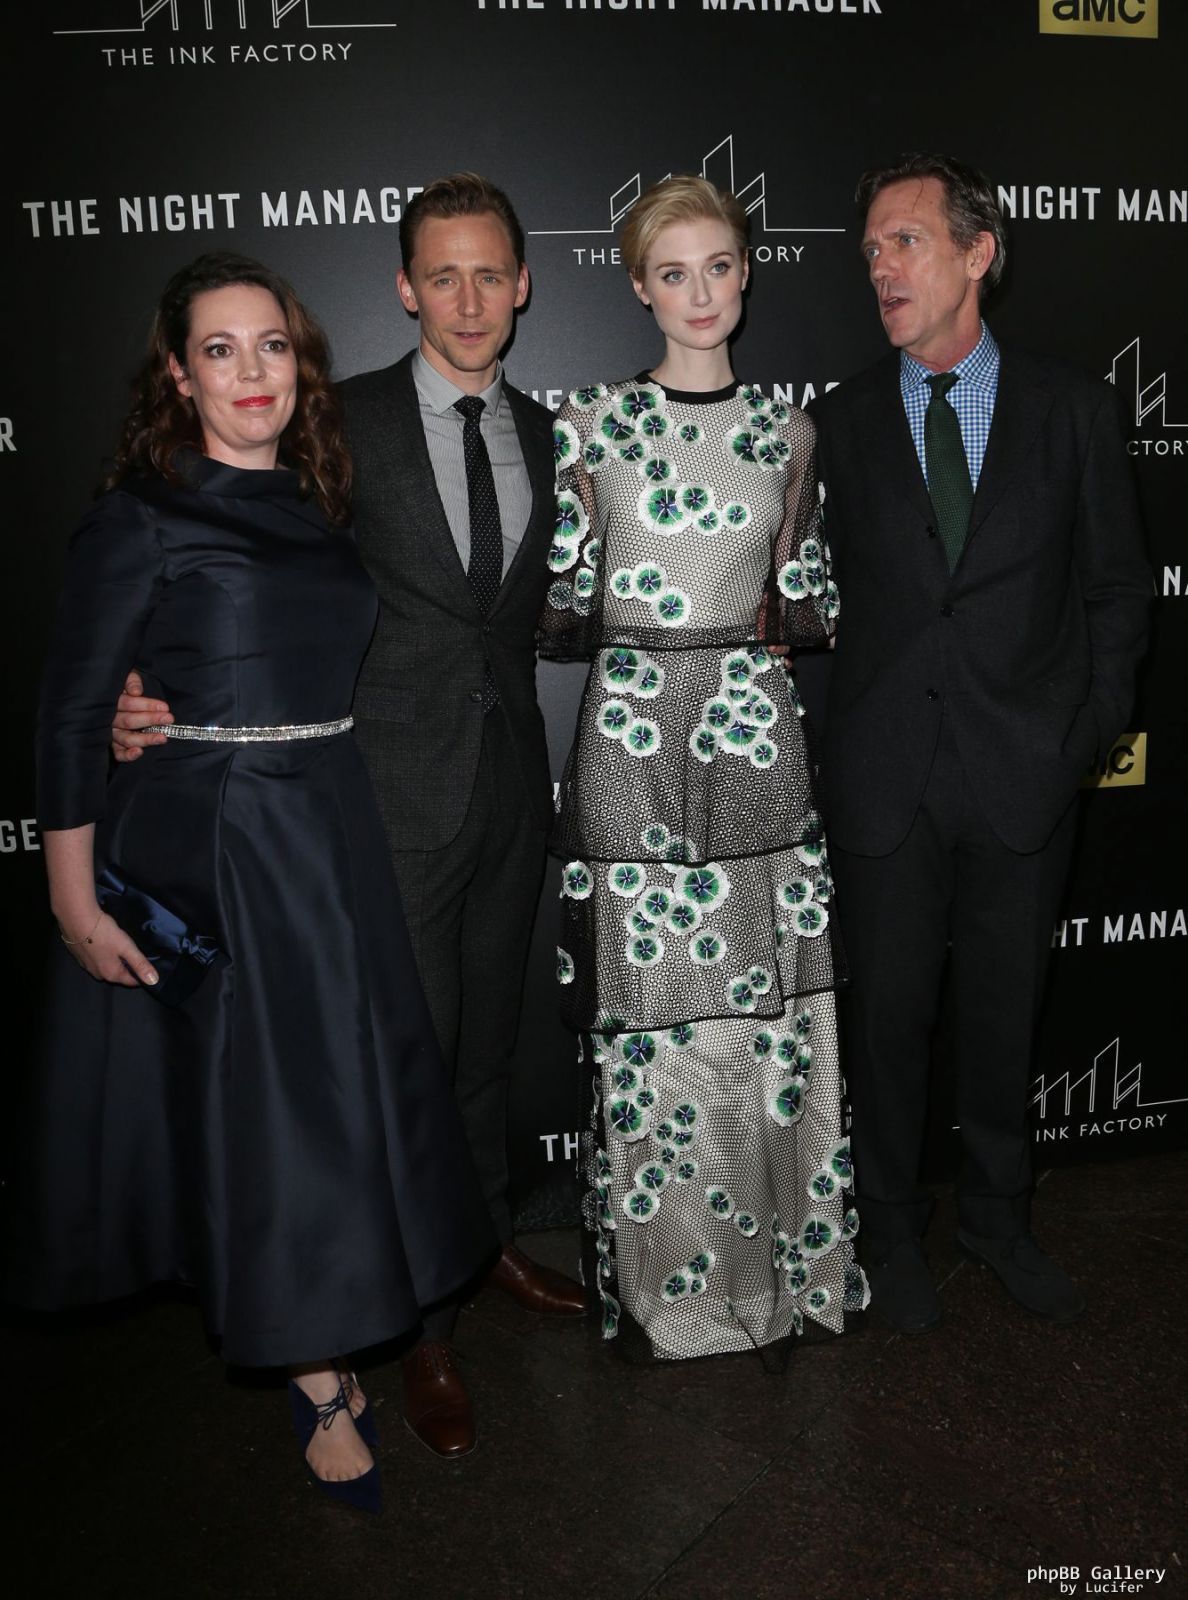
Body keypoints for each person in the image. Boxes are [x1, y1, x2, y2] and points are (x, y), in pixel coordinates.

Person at [8, 253, 495, 1511]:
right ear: (178, 374)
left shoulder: (319, 503)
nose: (250, 372)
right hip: (215, 844)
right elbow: (70, 713)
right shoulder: (142, 513)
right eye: (218, 350)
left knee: (339, 1104)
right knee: (275, 1116)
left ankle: (337, 1317)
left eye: (270, 345)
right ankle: (316, 1372)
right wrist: (72, 900)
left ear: (299, 360)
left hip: (327, 823)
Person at [112, 176, 584, 1458]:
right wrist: (140, 692)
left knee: (484, 1049)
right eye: (442, 275)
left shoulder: (548, 432)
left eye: (490, 274)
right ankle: (422, 1319)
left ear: (524, 284)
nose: (469, 300)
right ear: (404, 288)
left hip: (510, 793)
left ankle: (484, 1241)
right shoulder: (340, 423)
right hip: (381, 798)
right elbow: (236, 563)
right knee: (410, 1063)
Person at [813, 154, 1150, 1333]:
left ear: (977, 252)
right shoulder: (839, 421)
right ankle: (890, 1229)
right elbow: (813, 605)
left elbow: (1118, 592)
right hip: (885, 780)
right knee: (887, 1024)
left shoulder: (1073, 409)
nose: (881, 267)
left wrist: (1083, 736)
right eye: (871, 250)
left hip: (1023, 773)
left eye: (904, 241)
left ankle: (999, 1219)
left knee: (1007, 1020)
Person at [537, 175, 866, 1360]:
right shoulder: (587, 426)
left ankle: (780, 1273)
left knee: (767, 1017)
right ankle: (666, 1291)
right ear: (638, 286)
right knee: (650, 1025)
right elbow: (561, 603)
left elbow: (803, 599)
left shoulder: (791, 434)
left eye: (718, 266)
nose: (700, 292)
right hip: (630, 737)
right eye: (672, 272)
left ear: (746, 273)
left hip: (754, 736)